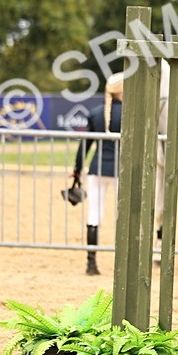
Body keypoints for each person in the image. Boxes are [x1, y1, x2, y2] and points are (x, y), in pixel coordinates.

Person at [72, 73, 124, 275]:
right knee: (124, 215)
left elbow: (84, 145)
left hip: (97, 168)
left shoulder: (95, 113)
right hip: (121, 169)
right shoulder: (130, 112)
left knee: (94, 214)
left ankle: (91, 263)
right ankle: (123, 262)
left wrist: (77, 170)